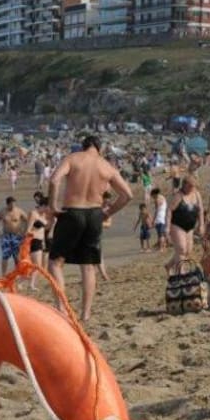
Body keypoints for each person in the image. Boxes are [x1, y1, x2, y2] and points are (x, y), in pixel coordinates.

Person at [47, 135, 134, 322]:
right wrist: (108, 212)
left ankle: (62, 308)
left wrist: (53, 206)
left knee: (55, 262)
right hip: (94, 214)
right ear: (99, 148)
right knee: (88, 266)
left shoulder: (73, 158)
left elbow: (54, 180)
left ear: (83, 146)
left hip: (73, 211)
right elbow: (127, 195)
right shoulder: (106, 166)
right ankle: (85, 314)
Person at [165, 176, 204, 271]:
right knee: (181, 249)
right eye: (190, 186)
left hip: (190, 226)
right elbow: (169, 211)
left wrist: (201, 224)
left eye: (194, 186)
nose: (192, 188)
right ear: (185, 185)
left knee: (188, 251)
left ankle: (169, 265)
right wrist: (167, 227)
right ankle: (180, 272)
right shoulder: (178, 196)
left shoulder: (196, 194)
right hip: (177, 225)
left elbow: (200, 210)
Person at [0, 196, 28, 274]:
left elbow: (27, 220)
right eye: (11, 205)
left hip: (17, 236)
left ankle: (18, 273)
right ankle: (4, 275)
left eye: (14, 204)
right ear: (7, 204)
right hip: (6, 236)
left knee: (17, 256)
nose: (13, 206)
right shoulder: (2, 212)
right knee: (5, 256)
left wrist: (24, 232)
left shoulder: (19, 211)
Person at [27, 192, 51, 288]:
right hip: (34, 241)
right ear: (44, 205)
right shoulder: (34, 214)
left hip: (40, 241)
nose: (49, 209)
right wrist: (32, 234)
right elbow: (28, 230)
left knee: (36, 266)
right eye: (48, 207)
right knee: (37, 266)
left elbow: (44, 229)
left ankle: (27, 283)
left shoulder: (43, 215)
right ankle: (30, 284)